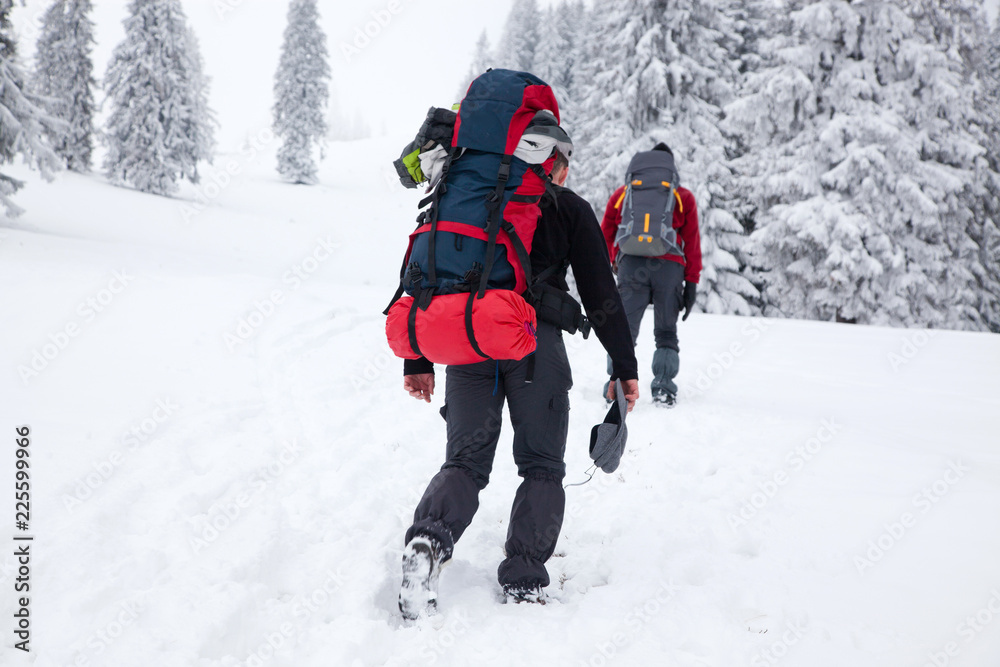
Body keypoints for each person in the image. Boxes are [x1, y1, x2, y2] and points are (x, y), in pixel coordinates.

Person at [399, 149, 640, 616]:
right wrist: (624, 368)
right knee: (543, 465)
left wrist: (416, 359)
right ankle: (525, 578)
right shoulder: (567, 207)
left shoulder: (464, 202)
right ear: (560, 165)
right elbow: (601, 293)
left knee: (465, 463)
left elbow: (421, 272)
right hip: (537, 345)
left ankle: (428, 540)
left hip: (471, 339)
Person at [600, 143, 701, 407]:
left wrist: (613, 260)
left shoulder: (625, 194)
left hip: (632, 265)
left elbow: (605, 232)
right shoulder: (682, 197)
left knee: (624, 332)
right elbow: (692, 243)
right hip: (669, 268)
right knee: (666, 333)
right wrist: (691, 283)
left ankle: (617, 385)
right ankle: (664, 388)